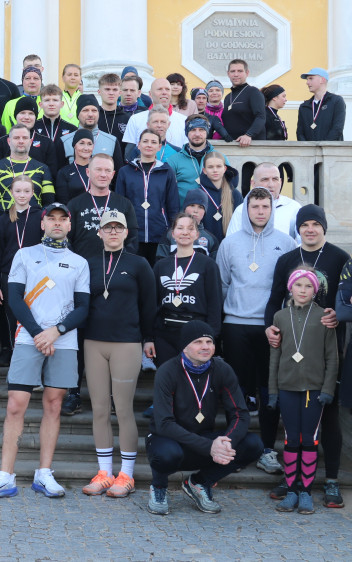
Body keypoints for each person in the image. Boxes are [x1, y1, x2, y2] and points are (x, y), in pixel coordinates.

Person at [0, 202, 89, 499]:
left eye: (62, 219)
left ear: (69, 225)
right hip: (29, 338)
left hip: (63, 340)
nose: (56, 223)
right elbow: (14, 298)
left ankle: (44, 473)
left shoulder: (79, 262)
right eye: (51, 219)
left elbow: (83, 307)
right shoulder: (24, 255)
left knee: (54, 404)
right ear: (42, 224)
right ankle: (5, 476)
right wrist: (40, 333)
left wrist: (56, 331)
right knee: (16, 403)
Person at [262, 204, 347, 502]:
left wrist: (340, 314)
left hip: (328, 347)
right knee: (292, 424)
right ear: (298, 228)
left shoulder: (340, 258)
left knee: (330, 418)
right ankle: (291, 481)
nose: (310, 229)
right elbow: (273, 300)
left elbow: (347, 299)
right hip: (291, 343)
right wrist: (269, 328)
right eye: (305, 224)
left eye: (316, 224)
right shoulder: (287, 259)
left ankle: (332, 479)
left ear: (324, 227)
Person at [145, 321, 262, 515]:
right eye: (198, 342)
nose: (205, 346)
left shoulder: (222, 370)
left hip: (203, 439)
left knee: (252, 444)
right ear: (185, 346)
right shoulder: (167, 371)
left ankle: (200, 482)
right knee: (167, 453)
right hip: (169, 440)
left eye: (209, 341)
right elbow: (164, 424)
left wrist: (226, 442)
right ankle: (158, 487)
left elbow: (240, 414)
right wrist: (210, 447)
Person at [80, 210, 155, 498]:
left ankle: (127, 474)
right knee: (99, 408)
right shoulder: (88, 264)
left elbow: (149, 305)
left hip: (126, 342)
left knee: (122, 408)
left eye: (118, 227)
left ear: (126, 232)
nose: (112, 232)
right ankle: (104, 472)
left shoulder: (139, 264)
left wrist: (148, 338)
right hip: (94, 342)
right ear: (99, 232)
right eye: (107, 227)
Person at [217, 187, 298, 415]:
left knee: (267, 380)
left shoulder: (287, 243)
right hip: (235, 322)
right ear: (246, 209)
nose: (260, 212)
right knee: (238, 381)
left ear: (272, 209)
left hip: (270, 324)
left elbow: (292, 287)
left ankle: (268, 431)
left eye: (265, 206)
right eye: (255, 206)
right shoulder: (229, 243)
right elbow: (223, 284)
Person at [266, 268, 337, 514]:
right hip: (286, 388)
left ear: (315, 290)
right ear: (291, 288)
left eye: (308, 286)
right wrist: (273, 390)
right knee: (290, 439)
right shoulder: (280, 317)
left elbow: (332, 357)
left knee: (309, 440)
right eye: (299, 285)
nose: (303, 290)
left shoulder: (324, 317)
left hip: (313, 391)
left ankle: (306, 491)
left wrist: (327, 388)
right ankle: (292, 489)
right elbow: (274, 356)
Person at [148, 213, 223, 368]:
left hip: (196, 333)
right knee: (168, 381)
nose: (185, 232)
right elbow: (152, 304)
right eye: (180, 228)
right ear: (173, 233)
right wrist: (149, 337)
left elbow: (215, 303)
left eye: (190, 228)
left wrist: (211, 337)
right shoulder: (161, 265)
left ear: (196, 234)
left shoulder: (208, 265)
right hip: (165, 334)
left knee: (192, 383)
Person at [0, 175, 43, 366]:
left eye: (26, 191)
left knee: (33, 315)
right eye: (18, 191)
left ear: (33, 193)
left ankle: (33, 355)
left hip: (35, 275)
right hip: (9, 276)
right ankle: (12, 354)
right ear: (11, 192)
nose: (22, 195)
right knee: (9, 316)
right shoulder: (4, 219)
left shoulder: (41, 216)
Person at [115, 129, 180, 264]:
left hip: (160, 233)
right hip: (133, 234)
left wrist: (172, 231)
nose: (149, 145)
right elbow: (120, 204)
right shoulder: (125, 171)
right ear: (138, 145)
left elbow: (173, 205)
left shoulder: (167, 171)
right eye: (145, 141)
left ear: (159, 147)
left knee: (156, 273)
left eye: (153, 142)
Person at [65, 153, 138, 259]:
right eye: (98, 169)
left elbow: (133, 240)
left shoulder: (125, 204)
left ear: (113, 174)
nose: (103, 174)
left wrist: (122, 262)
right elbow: (67, 238)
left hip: (115, 268)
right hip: (83, 267)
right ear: (88, 172)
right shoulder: (74, 204)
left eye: (107, 170)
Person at [0, 124, 55, 222]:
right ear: (9, 141)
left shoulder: (43, 169)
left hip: (34, 224)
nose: (21, 141)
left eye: (25, 138)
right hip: (4, 226)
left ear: (30, 141)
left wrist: (35, 220)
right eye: (16, 138)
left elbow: (49, 202)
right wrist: (6, 221)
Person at [225, 162, 302, 238]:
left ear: (281, 182)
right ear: (253, 183)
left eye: (275, 179)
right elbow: (232, 243)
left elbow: (301, 243)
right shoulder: (241, 210)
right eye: (265, 179)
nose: (271, 185)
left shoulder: (294, 208)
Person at [195, 151, 241, 242]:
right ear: (204, 171)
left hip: (229, 245)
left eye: (219, 166)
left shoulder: (235, 194)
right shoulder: (197, 193)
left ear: (224, 169)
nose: (215, 170)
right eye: (210, 167)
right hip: (204, 245)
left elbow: (240, 224)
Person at [221, 59, 266, 145]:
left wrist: (248, 135)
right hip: (232, 145)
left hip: (251, 144)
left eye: (240, 71)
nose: (236, 74)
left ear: (247, 73)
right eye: (232, 71)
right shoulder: (227, 97)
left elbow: (261, 117)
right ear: (228, 74)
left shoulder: (253, 92)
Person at [296, 67, 345, 141]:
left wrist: (324, 147)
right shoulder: (304, 106)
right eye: (307, 79)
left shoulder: (336, 101)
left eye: (311, 78)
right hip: (309, 151)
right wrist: (307, 148)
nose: (307, 82)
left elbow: (337, 128)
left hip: (330, 150)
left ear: (322, 80)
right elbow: (300, 133)